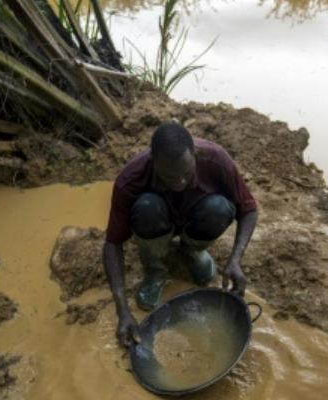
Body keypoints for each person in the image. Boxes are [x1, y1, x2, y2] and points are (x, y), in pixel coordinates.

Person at [101, 122, 259, 347]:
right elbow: (112, 244)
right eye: (169, 177)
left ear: (195, 154)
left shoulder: (216, 160)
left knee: (220, 208)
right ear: (153, 162)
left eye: (186, 173)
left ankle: (191, 250)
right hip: (156, 221)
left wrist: (235, 259)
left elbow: (249, 209)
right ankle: (155, 268)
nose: (180, 182)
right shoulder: (130, 178)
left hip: (196, 217)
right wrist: (122, 311)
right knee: (147, 207)